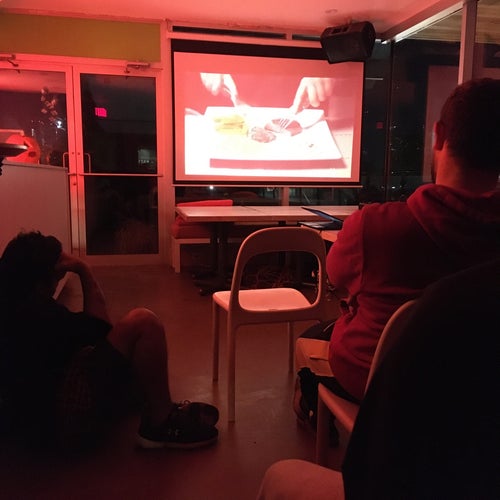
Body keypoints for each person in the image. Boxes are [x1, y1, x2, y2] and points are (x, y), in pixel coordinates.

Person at [294, 77, 500, 433]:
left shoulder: (375, 226)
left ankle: (313, 410)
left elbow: (336, 277)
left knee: (314, 335)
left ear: (438, 135)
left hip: (384, 384)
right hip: (476, 393)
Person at [258, 257, 500, 499]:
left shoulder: (445, 301)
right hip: (445, 417)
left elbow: (336, 274)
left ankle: (313, 410)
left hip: (372, 377)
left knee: (308, 341)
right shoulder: (473, 287)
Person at [0, 231, 219, 450]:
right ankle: (159, 423)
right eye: (56, 276)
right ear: (40, 283)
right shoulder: (41, 316)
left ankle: (152, 403)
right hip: (55, 423)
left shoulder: (13, 305)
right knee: (143, 323)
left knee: (132, 362)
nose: (57, 282)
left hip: (23, 420)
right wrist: (83, 270)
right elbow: (100, 332)